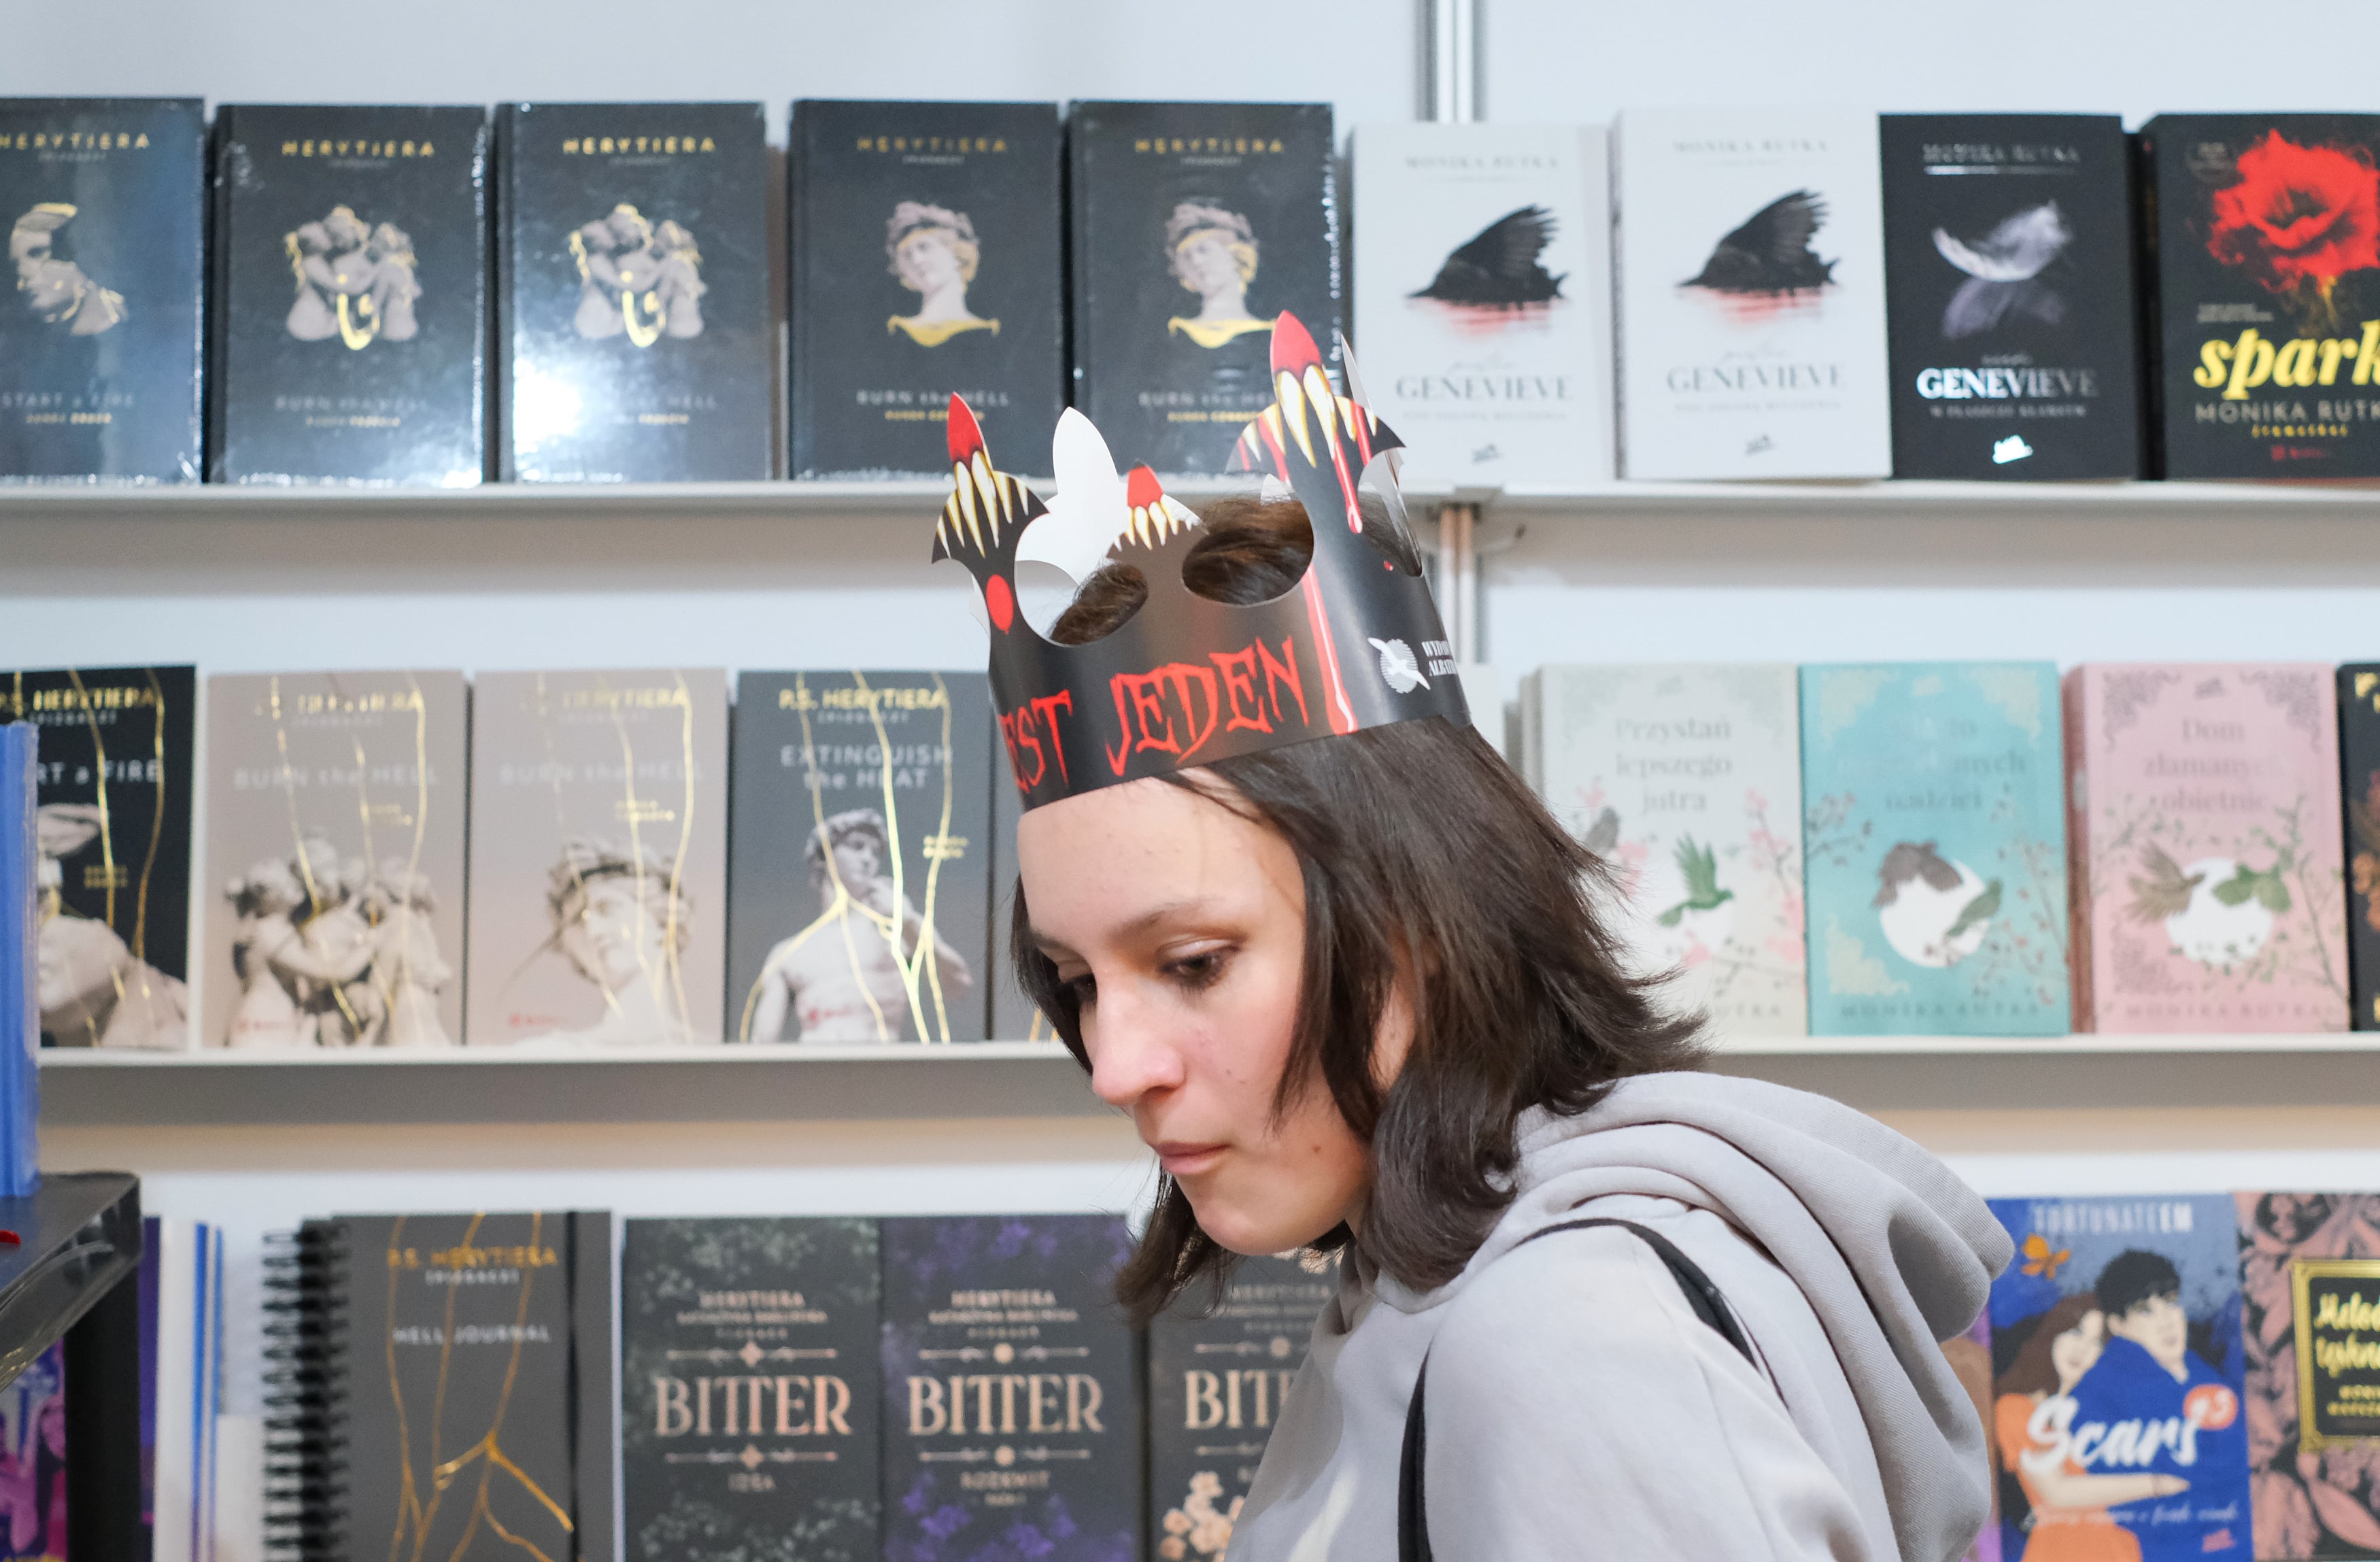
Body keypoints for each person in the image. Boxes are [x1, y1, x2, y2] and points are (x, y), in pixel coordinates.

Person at [933, 319, 2014, 1562]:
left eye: (1193, 964)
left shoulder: (1563, 1343)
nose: (1117, 1064)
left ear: (1424, 922)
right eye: (1076, 980)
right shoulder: (1422, 1278)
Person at [2060, 1251, 2248, 1562]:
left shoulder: (2202, 1373)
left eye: (2170, 1303)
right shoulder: (2098, 1393)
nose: (2166, 1321)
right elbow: (2126, 1510)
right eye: (2145, 1311)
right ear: (2118, 1325)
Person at [744, 809, 972, 1042]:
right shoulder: (790, 953)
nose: (867, 859)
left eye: (875, 852)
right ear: (825, 855)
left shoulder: (899, 931)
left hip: (881, 1064)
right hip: (816, 1064)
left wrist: (907, 921)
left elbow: (958, 984)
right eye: (857, 846)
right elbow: (761, 1045)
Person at [1994, 1293, 2188, 1561]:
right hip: (2060, 1552)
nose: (2082, 1349)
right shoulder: (2015, 1408)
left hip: (2119, 1549)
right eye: (2076, 1333)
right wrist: (2155, 1484)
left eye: (2095, 1342)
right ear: (2053, 1334)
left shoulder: (2098, 1415)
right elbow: (2057, 1493)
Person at [543, 838, 698, 1045]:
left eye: (607, 909)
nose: (594, 931)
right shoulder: (554, 1051)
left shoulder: (712, 1052)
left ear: (662, 923)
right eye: (579, 922)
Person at [885, 202, 996, 347]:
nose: (916, 260)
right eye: (907, 255)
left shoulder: (988, 332)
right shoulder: (897, 331)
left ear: (956, 252)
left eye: (924, 247)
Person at [1163, 201, 1272, 349]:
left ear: (1236, 253)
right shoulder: (1175, 331)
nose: (1196, 261)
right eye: (1187, 256)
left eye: (1204, 249)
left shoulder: (1273, 333)